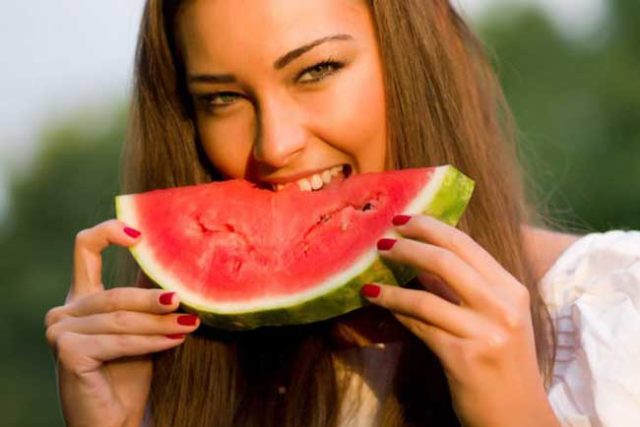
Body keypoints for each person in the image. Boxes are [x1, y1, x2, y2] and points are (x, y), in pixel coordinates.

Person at [44, 1, 640, 426]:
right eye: (220, 99)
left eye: (318, 70)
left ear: (421, 50)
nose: (274, 146)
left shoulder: (617, 317)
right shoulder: (175, 376)